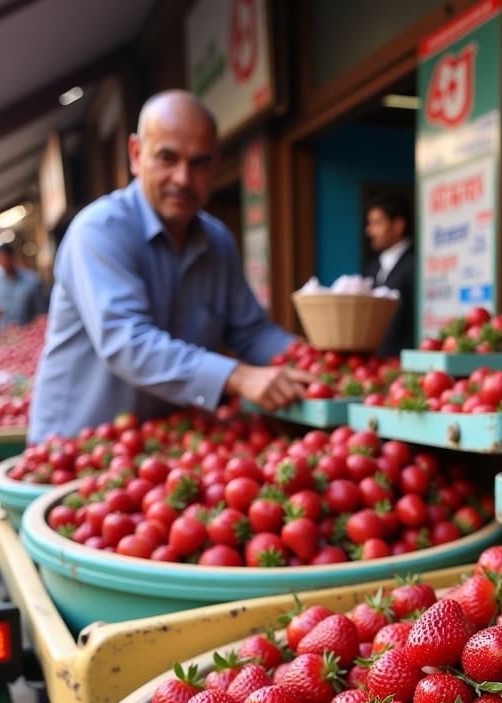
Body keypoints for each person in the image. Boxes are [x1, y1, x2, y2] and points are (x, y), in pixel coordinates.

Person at [28, 90, 313, 444]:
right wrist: (238, 376)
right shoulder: (99, 231)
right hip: (77, 450)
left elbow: (252, 332)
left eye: (199, 163)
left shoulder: (218, 242)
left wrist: (311, 362)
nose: (182, 178)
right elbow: (127, 341)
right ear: (136, 154)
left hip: (159, 450)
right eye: (167, 158)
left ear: (215, 165)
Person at [363, 193, 415, 358]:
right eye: (369, 223)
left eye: (377, 223)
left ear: (398, 225)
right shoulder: (372, 267)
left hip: (406, 364)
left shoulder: (416, 264)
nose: (370, 230)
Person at [0, 241, 46, 328]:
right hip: (1, 335)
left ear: (13, 257)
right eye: (1, 258)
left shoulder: (32, 281)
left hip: (27, 334)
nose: (4, 262)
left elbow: (40, 313)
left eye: (6, 258)